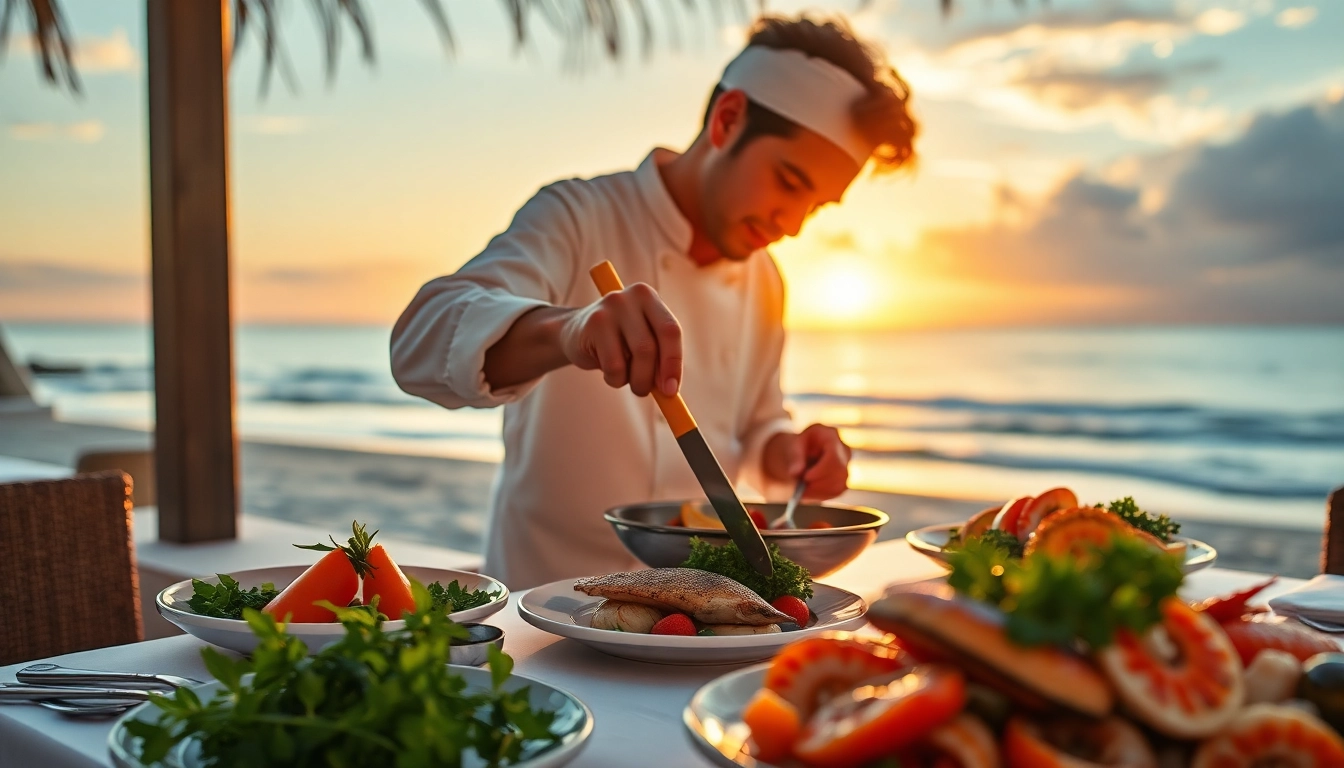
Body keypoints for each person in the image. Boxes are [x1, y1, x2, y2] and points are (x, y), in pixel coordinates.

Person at [391, 14, 917, 589]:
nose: (792, 224)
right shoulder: (578, 215)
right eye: (789, 182)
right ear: (728, 118)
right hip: (545, 610)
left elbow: (756, 421)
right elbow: (420, 340)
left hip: (696, 620)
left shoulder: (766, 279)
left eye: (815, 206)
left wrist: (786, 453)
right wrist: (569, 332)